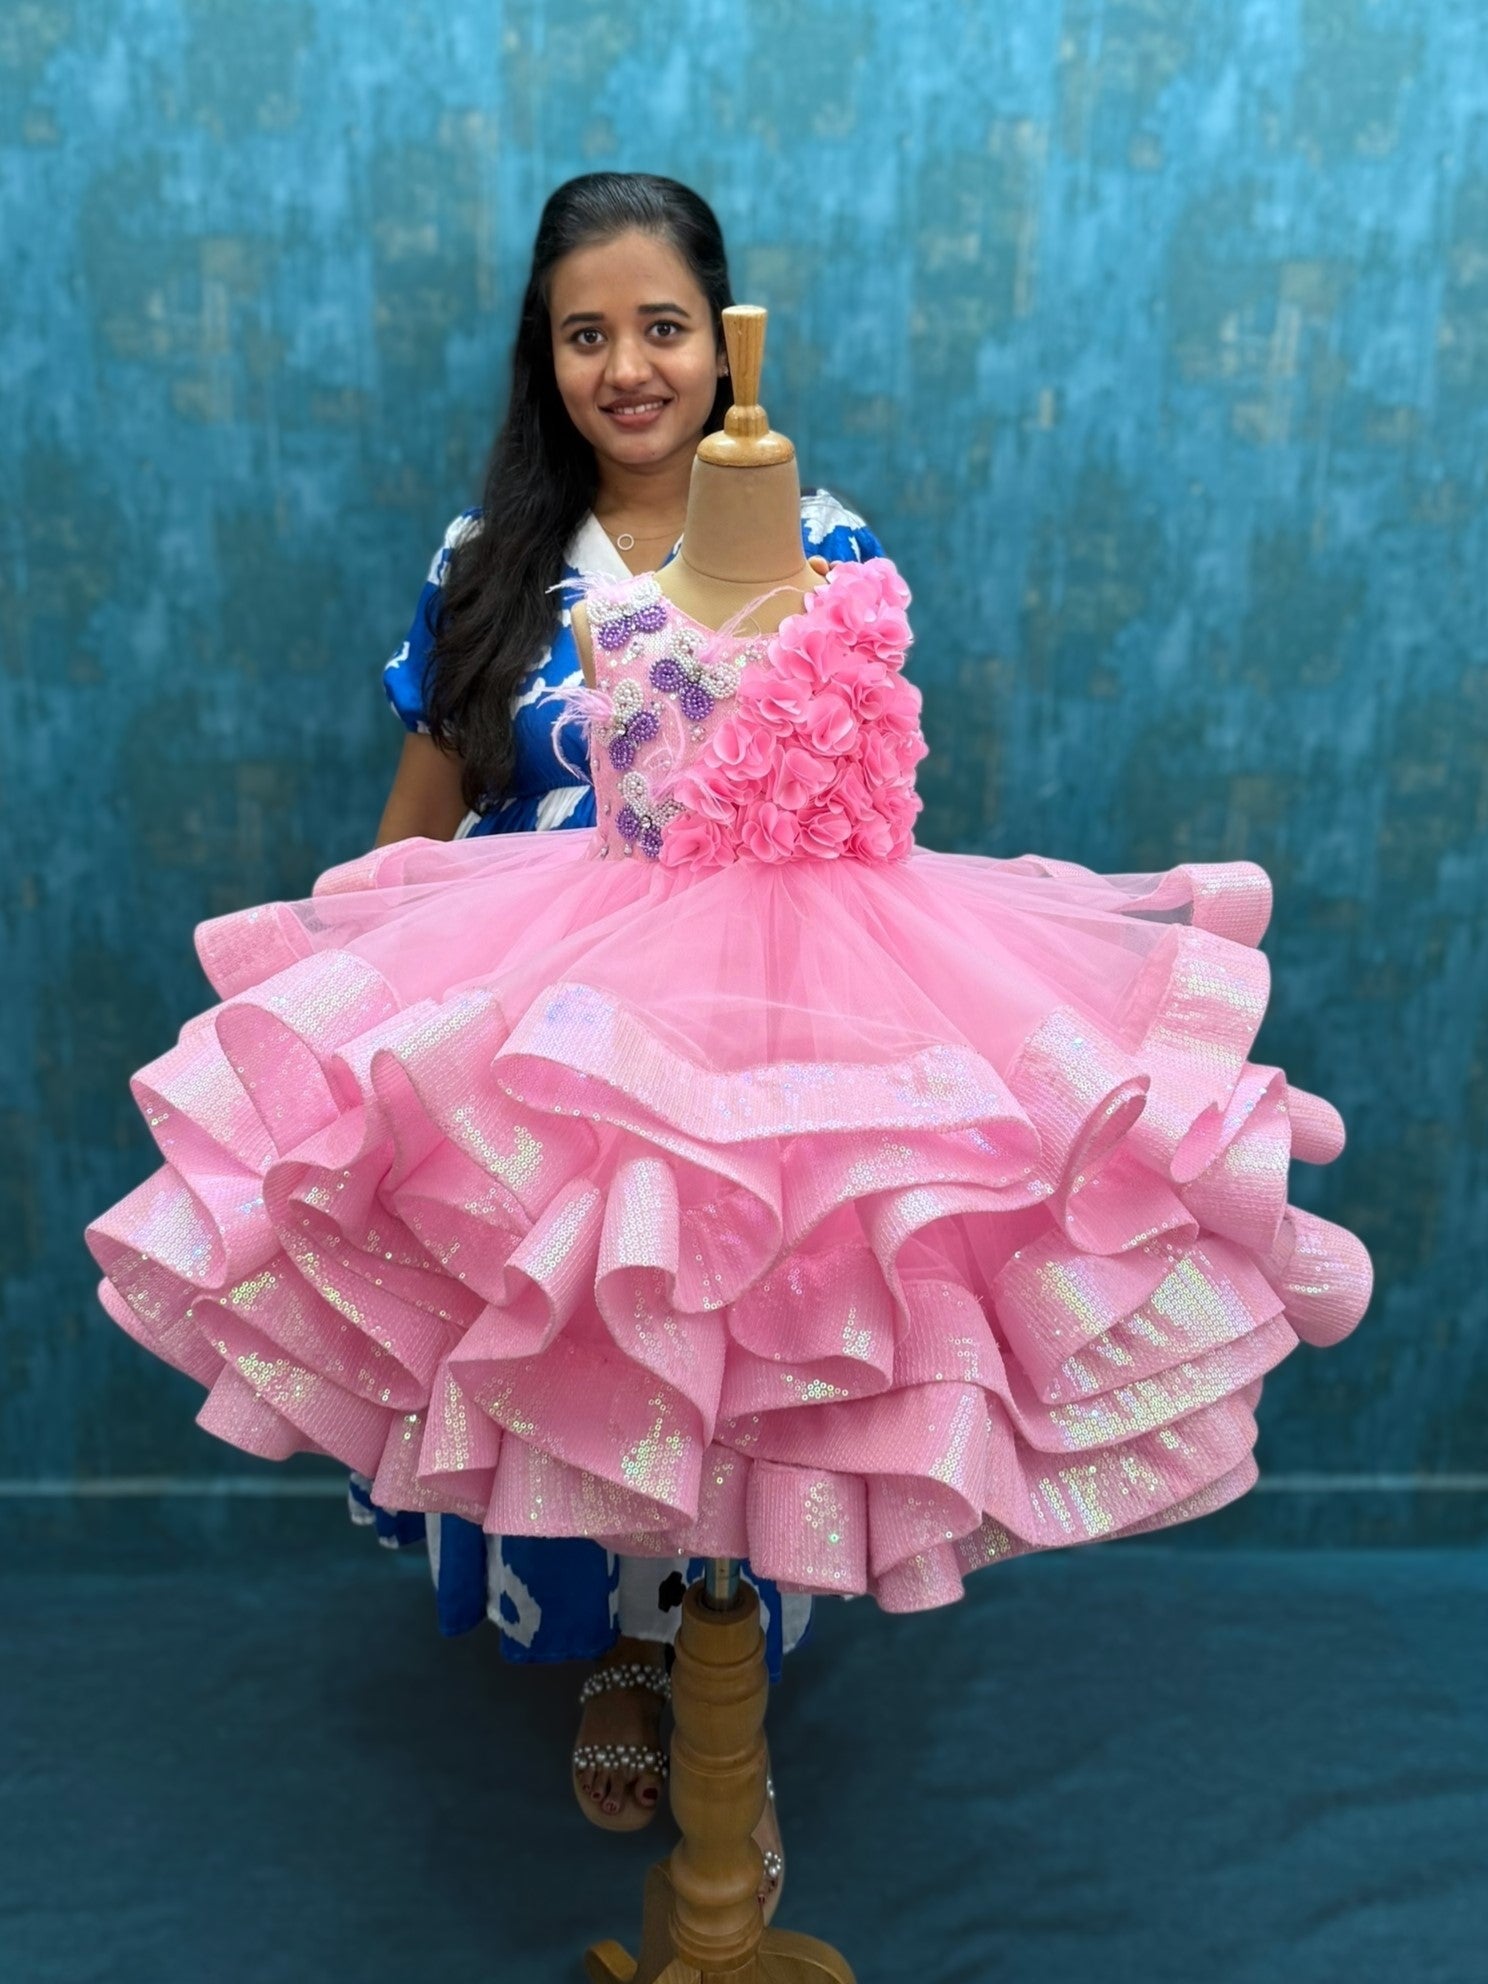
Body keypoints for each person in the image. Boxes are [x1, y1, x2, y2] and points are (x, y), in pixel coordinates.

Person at [364, 170, 883, 1905]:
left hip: (755, 1027)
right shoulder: (484, 561)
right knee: (578, 1346)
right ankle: (616, 1649)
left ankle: (722, 1695)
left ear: (720, 341)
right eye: (587, 333)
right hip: (536, 1039)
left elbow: (877, 812)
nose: (627, 366)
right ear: (549, 355)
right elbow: (420, 815)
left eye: (660, 326)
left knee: (734, 1350)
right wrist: (352, 989)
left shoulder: (830, 545)